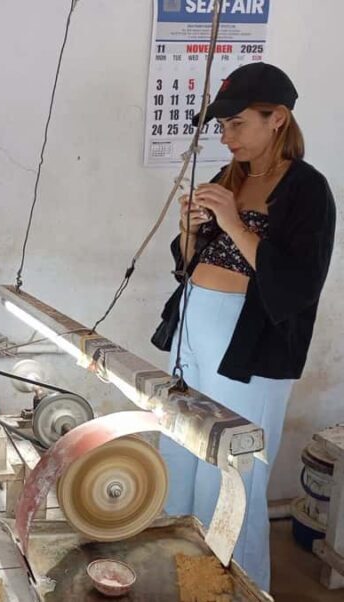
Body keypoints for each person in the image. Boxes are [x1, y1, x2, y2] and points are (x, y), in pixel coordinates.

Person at [153, 62, 336, 591]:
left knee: (231, 469)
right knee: (180, 449)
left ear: (277, 119)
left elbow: (298, 284)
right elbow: (190, 262)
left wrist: (233, 222)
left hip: (251, 346)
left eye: (237, 123)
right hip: (195, 328)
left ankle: (232, 587)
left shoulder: (307, 190)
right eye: (222, 126)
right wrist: (189, 233)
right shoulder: (229, 178)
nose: (226, 136)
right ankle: (174, 574)